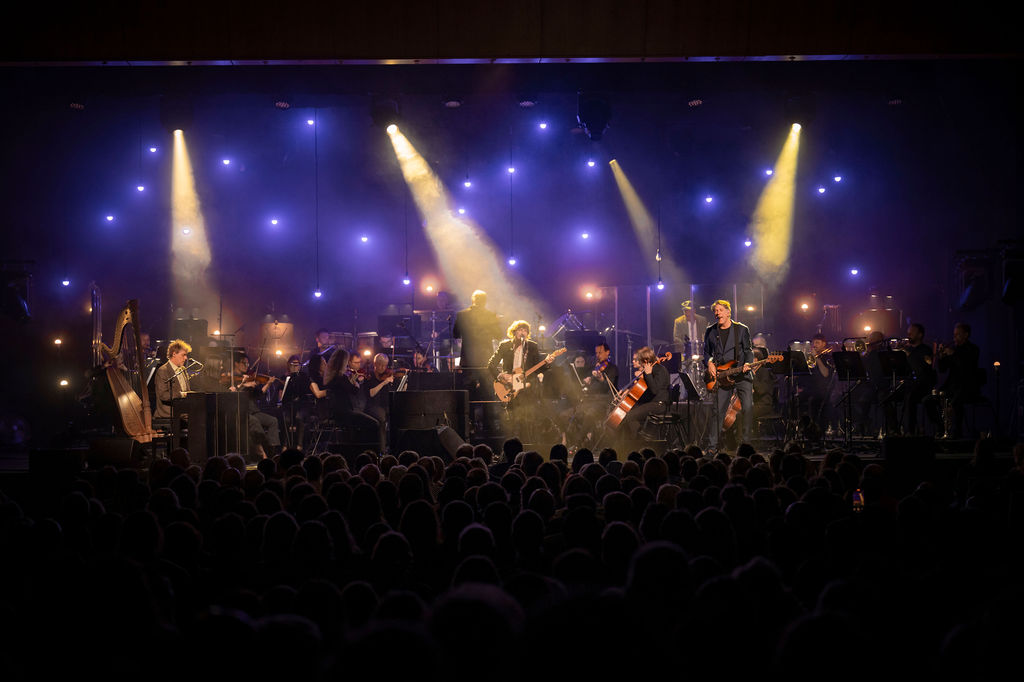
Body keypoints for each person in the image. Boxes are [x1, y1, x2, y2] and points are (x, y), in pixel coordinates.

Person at [488, 320, 555, 440]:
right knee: (512, 422)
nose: (522, 332)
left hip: (527, 390)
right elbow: (491, 364)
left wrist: (547, 363)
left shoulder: (532, 346)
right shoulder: (505, 346)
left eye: (525, 330)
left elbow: (537, 368)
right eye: (520, 330)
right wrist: (501, 375)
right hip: (509, 387)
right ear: (514, 332)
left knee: (528, 422)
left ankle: (528, 446)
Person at [703, 299, 754, 448]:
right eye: (715, 311)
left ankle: (746, 444)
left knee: (747, 408)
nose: (717, 313)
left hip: (741, 374)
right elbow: (706, 352)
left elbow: (748, 350)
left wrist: (747, 363)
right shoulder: (710, 331)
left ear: (728, 312)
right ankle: (712, 446)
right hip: (723, 376)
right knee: (718, 411)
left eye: (720, 310)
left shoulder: (741, 329)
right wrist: (710, 362)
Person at [323, 349, 385, 454]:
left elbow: (345, 390)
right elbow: (354, 390)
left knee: (367, 422)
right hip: (346, 412)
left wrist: (351, 380)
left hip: (336, 412)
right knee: (374, 424)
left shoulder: (331, 377)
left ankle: (363, 450)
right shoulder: (342, 377)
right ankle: (372, 453)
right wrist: (356, 383)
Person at [227, 354, 281, 459]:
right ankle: (261, 453)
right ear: (236, 363)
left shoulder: (249, 378)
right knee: (255, 422)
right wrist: (242, 385)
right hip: (241, 412)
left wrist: (268, 384)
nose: (246, 366)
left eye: (248, 364)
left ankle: (272, 451)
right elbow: (230, 395)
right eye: (244, 363)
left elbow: (259, 394)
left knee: (273, 421)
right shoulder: (231, 378)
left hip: (253, 410)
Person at [937, 322, 981, 438]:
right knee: (930, 399)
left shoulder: (973, 349)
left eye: (958, 335)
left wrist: (953, 354)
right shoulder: (954, 349)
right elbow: (942, 369)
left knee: (956, 401)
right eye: (954, 335)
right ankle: (941, 430)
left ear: (966, 335)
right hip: (952, 387)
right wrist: (941, 357)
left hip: (967, 387)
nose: (954, 338)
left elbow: (966, 368)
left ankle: (957, 433)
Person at [617, 346, 671, 440]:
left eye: (641, 362)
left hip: (659, 404)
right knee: (626, 413)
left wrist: (648, 374)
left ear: (646, 361)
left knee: (630, 416)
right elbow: (646, 392)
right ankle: (632, 440)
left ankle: (639, 440)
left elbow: (654, 390)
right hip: (651, 403)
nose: (641, 365)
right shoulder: (650, 370)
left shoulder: (660, 370)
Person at [902, 322, 940, 435]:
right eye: (908, 333)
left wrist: (908, 354)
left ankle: (911, 431)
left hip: (923, 385)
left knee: (911, 397)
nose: (908, 335)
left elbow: (921, 370)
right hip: (909, 383)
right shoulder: (907, 349)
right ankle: (895, 429)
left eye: (912, 333)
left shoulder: (925, 350)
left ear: (920, 335)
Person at [453, 290, 502, 370]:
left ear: (473, 300)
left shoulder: (462, 315)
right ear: (485, 301)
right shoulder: (490, 315)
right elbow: (498, 335)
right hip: (485, 357)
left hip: (468, 358)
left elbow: (456, 334)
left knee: (468, 377)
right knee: (485, 377)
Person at [154, 339, 193, 419]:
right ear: (174, 354)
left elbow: (187, 390)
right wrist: (182, 394)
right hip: (169, 414)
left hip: (183, 412)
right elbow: (163, 395)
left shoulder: (183, 369)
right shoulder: (163, 370)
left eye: (186, 355)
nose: (186, 358)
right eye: (183, 355)